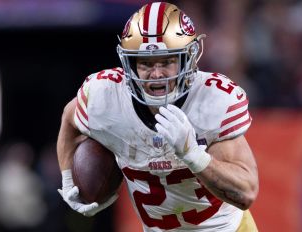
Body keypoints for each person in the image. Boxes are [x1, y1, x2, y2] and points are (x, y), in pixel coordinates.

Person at [57, 2, 259, 231]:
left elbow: (246, 192)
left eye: (167, 61)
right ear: (129, 64)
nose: (156, 74)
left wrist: (194, 156)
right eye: (145, 63)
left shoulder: (211, 101)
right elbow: (69, 117)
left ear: (188, 59)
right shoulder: (105, 97)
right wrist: (67, 178)